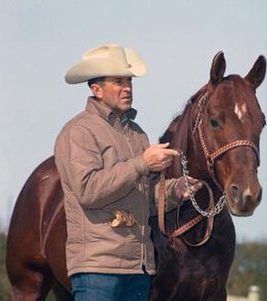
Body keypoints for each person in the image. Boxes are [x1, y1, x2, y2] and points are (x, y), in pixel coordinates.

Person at [54, 44, 202, 301]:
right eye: (119, 82)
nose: (128, 88)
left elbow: (143, 199)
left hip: (139, 268)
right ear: (96, 90)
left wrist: (176, 191)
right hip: (97, 269)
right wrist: (143, 163)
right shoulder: (78, 132)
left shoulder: (137, 134)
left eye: (129, 81)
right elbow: (88, 191)